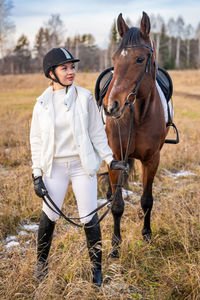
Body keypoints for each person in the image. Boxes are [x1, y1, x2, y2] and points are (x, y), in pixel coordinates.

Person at [30, 47, 127, 287]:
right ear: (51, 73)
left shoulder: (84, 98)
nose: (71, 71)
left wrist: (109, 159)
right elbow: (36, 141)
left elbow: (96, 133)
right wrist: (36, 174)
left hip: (82, 165)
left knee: (89, 217)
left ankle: (97, 270)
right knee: (49, 215)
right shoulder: (41, 103)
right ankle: (41, 263)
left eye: (72, 67)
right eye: (64, 68)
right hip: (54, 168)